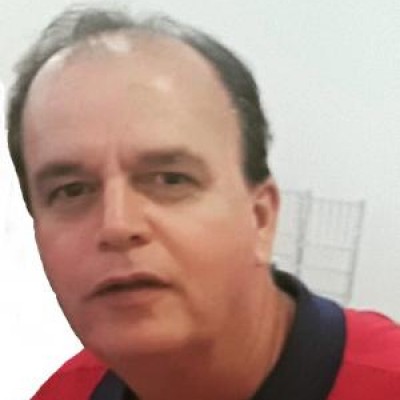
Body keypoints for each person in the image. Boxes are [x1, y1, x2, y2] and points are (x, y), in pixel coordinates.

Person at [7, 5, 400, 400]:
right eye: (71, 191)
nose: (117, 225)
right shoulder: (66, 392)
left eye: (170, 180)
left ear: (261, 218)